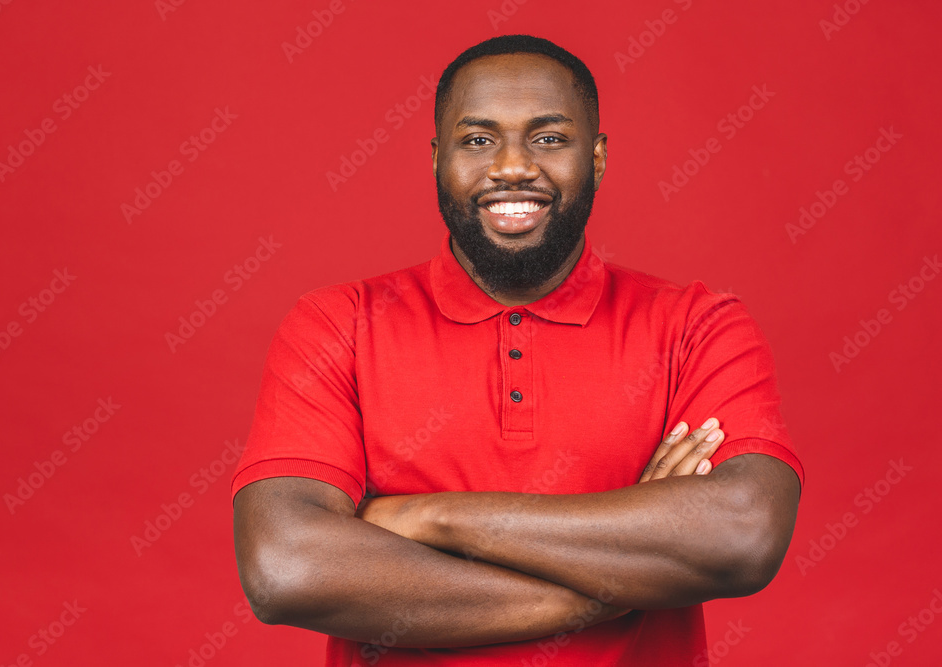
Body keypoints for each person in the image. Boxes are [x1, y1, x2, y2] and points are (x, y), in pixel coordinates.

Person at [231, 34, 804, 666]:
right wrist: (621, 581)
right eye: (477, 140)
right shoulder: (337, 325)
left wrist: (429, 520)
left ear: (599, 156)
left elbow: (743, 536)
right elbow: (287, 567)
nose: (512, 166)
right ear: (436, 159)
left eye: (550, 138)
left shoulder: (698, 326)